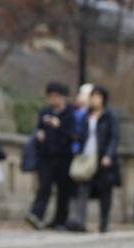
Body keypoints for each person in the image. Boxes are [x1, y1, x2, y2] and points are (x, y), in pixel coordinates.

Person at [66, 85, 121, 233]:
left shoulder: (110, 116)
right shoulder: (86, 116)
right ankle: (79, 220)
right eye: (92, 96)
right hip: (86, 156)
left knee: (104, 192)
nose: (94, 99)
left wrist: (108, 155)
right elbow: (81, 135)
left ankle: (104, 222)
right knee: (82, 187)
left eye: (97, 96)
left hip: (102, 157)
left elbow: (114, 138)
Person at [25, 82, 77, 229]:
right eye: (51, 96)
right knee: (44, 187)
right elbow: (39, 128)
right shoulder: (45, 112)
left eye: (56, 96)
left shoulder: (70, 114)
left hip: (64, 156)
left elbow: (73, 135)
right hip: (47, 155)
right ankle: (36, 214)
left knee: (63, 190)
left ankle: (60, 220)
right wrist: (39, 134)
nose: (53, 99)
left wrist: (58, 126)